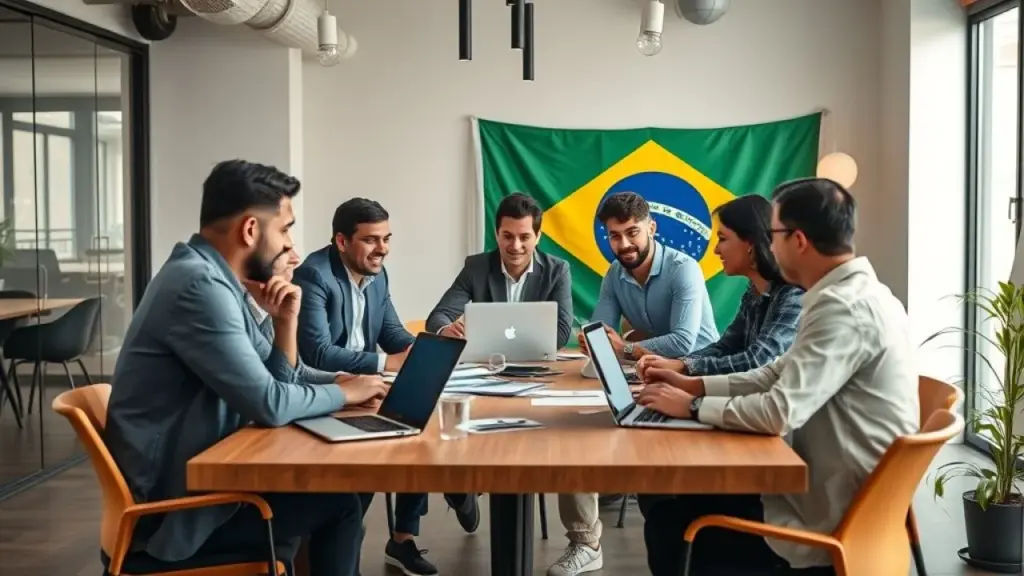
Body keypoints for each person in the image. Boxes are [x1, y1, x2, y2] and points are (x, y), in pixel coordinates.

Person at [103, 160, 386, 576]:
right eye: (285, 229)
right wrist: (345, 394)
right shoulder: (199, 287)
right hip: (174, 519)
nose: (291, 246)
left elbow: (278, 379)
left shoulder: (213, 280)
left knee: (340, 494)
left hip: (200, 483)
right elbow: (270, 403)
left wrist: (289, 327)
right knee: (340, 505)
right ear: (251, 230)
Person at [635, 178, 919, 576]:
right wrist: (694, 384)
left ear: (798, 240)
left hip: (828, 522)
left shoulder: (842, 308)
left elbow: (778, 411)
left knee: (668, 523)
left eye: (773, 234)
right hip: (833, 494)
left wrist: (694, 406)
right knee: (671, 500)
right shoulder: (854, 294)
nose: (769, 244)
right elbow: (773, 373)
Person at [292, 198, 478, 576]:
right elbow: (317, 352)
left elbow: (390, 332)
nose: (382, 249)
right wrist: (383, 362)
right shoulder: (313, 276)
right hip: (327, 388)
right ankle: (345, 551)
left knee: (421, 419)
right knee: (402, 432)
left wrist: (420, 350)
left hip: (365, 385)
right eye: (372, 240)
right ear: (341, 242)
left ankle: (404, 537)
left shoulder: (377, 275)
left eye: (387, 239)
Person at [550, 191, 720, 576]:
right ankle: (585, 540)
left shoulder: (683, 268)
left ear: (651, 228)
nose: (624, 244)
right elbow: (601, 330)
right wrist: (592, 339)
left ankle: (626, 484)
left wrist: (623, 347)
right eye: (614, 236)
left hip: (695, 376)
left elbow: (684, 341)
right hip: (648, 373)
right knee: (574, 429)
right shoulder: (615, 274)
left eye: (632, 233)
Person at [635, 195, 803, 381]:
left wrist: (683, 368)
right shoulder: (753, 290)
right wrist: (681, 364)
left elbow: (758, 360)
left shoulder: (794, 293)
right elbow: (726, 347)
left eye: (722, 239)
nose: (716, 250)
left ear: (750, 243)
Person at [426, 192, 573, 347]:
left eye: (524, 237)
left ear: (537, 237)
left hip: (535, 363)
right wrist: (446, 330)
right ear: (497, 235)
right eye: (508, 236)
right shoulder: (476, 267)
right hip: (489, 362)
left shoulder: (557, 271)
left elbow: (562, 334)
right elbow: (438, 316)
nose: (516, 246)